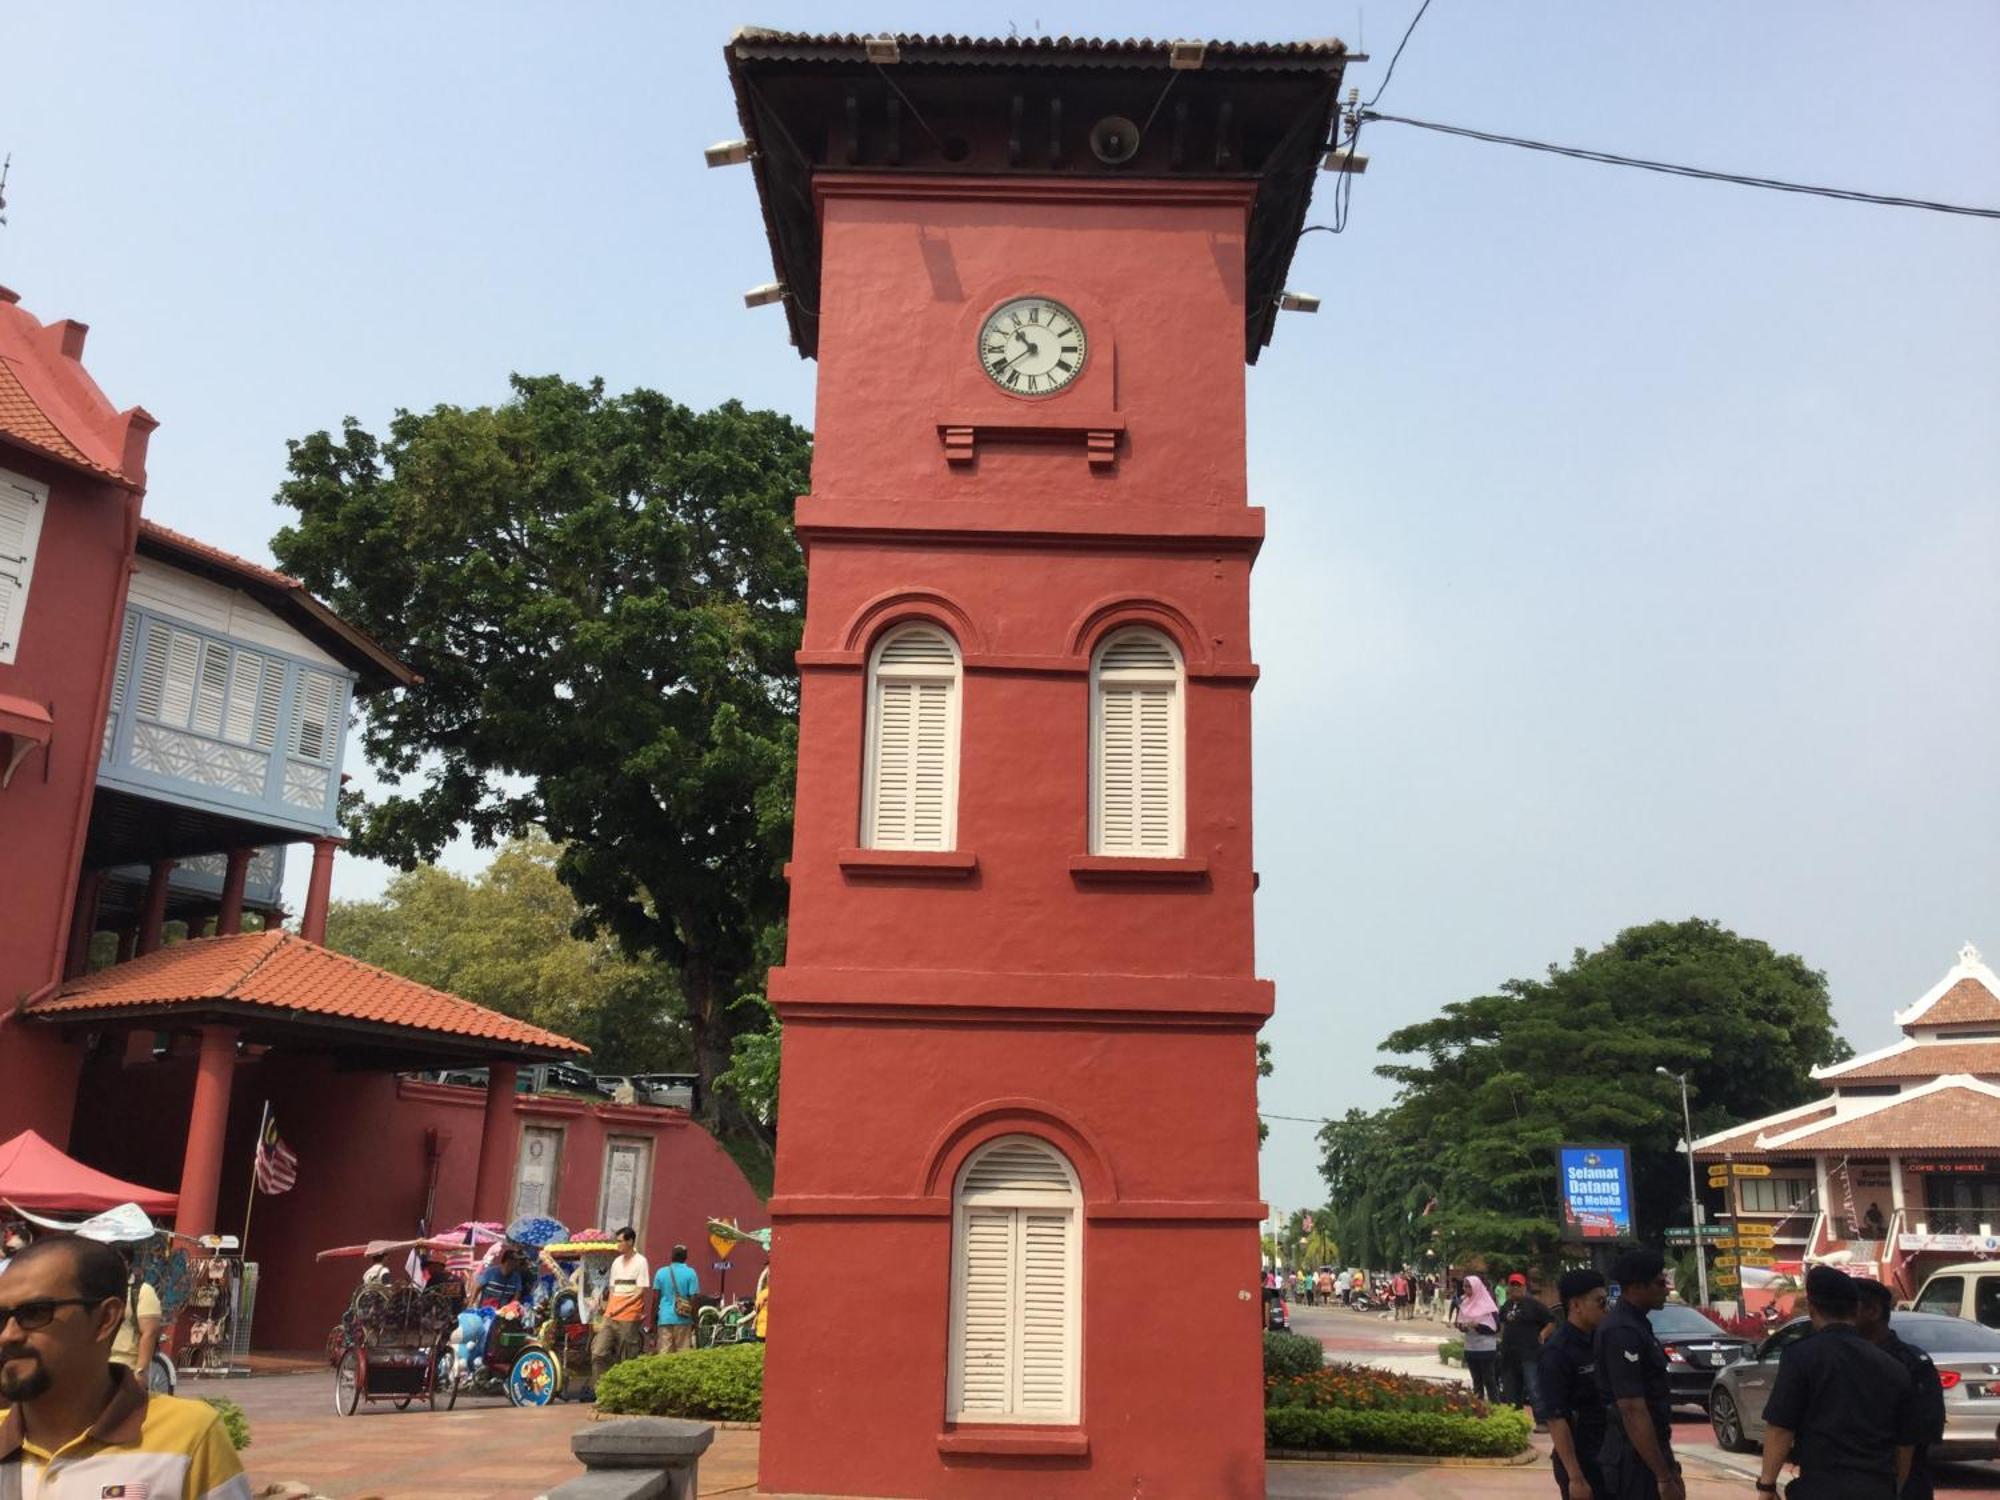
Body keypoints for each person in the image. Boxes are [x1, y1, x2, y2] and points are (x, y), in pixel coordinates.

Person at [0, 1232, 250, 1499]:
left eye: (35, 1313)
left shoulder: (189, 1436)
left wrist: (142, 1369)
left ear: (105, 1319)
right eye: (1, 1317)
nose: (8, 1335)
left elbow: (150, 1332)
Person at [1756, 1265, 1915, 1500]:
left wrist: (1767, 1487)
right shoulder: (1893, 1367)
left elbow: (1780, 1428)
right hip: (1877, 1488)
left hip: (1821, 1488)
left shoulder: (1801, 1357)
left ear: (1812, 1309)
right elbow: (1905, 1444)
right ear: (1856, 1309)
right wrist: (1895, 1488)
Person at [1594, 1247, 1683, 1500]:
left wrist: (1668, 1468)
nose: (1666, 1289)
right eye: (1659, 1283)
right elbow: (1632, 1409)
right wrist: (1663, 1477)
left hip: (1651, 1453)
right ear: (1636, 1287)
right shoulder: (1621, 1331)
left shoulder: (1638, 1325)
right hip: (1632, 1460)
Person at [1855, 1278, 1944, 1500]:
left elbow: (1922, 1431)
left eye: (1849, 1309)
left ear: (1873, 1311)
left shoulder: (1911, 1363)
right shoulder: (1842, 1359)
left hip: (1902, 1482)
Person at [1536, 1268, 1610, 1500]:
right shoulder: (1558, 1351)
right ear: (1576, 1305)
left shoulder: (1602, 1339)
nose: (1605, 1308)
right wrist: (1575, 1477)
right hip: (1581, 1459)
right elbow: (1556, 1418)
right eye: (1600, 1302)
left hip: (1609, 1453)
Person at [592, 1227, 651, 1386]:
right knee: (598, 1352)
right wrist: (608, 1311)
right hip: (611, 1316)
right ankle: (602, 1388)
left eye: (620, 1241)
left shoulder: (641, 1261)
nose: (617, 1245)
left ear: (630, 1241)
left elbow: (639, 1291)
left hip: (629, 1316)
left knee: (627, 1356)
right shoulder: (616, 1263)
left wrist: (622, 1306)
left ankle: (624, 1389)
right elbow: (612, 1290)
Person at [1499, 1270, 1555, 1415]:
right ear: (1509, 1288)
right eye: (1513, 1285)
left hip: (1529, 1354)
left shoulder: (1534, 1305)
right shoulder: (1506, 1305)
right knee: (1512, 1389)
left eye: (1519, 1285)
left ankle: (1542, 1420)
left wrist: (1543, 1335)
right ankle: (1515, 1419)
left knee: (1533, 1388)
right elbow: (1502, 1323)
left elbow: (1551, 1321)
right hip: (1510, 1355)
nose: (1515, 1288)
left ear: (1524, 1287)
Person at [107, 1248, 163, 1386]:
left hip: (125, 1366)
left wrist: (140, 1371)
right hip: (96, 1365)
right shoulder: (99, 1289)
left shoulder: (142, 1291)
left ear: (128, 1263)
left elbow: (149, 1333)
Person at [1456, 1274, 1502, 1401]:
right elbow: (1459, 1322)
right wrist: (1462, 1327)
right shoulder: (1465, 1303)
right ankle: (1478, 1407)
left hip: (1486, 1348)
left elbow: (1496, 1328)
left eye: (1468, 1287)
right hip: (1470, 1347)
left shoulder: (1488, 1305)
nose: (1465, 1289)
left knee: (1489, 1380)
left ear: (1476, 1287)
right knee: (1476, 1381)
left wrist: (1478, 1326)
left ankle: (1496, 1408)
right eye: (1464, 1286)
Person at [652, 1245, 699, 1353]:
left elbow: (655, 1299)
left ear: (671, 1256)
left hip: (664, 1319)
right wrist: (695, 1320)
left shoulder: (661, 1272)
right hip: (683, 1319)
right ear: (686, 1257)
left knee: (664, 1353)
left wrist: (652, 1321)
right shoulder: (691, 1273)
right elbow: (694, 1299)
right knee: (683, 1354)